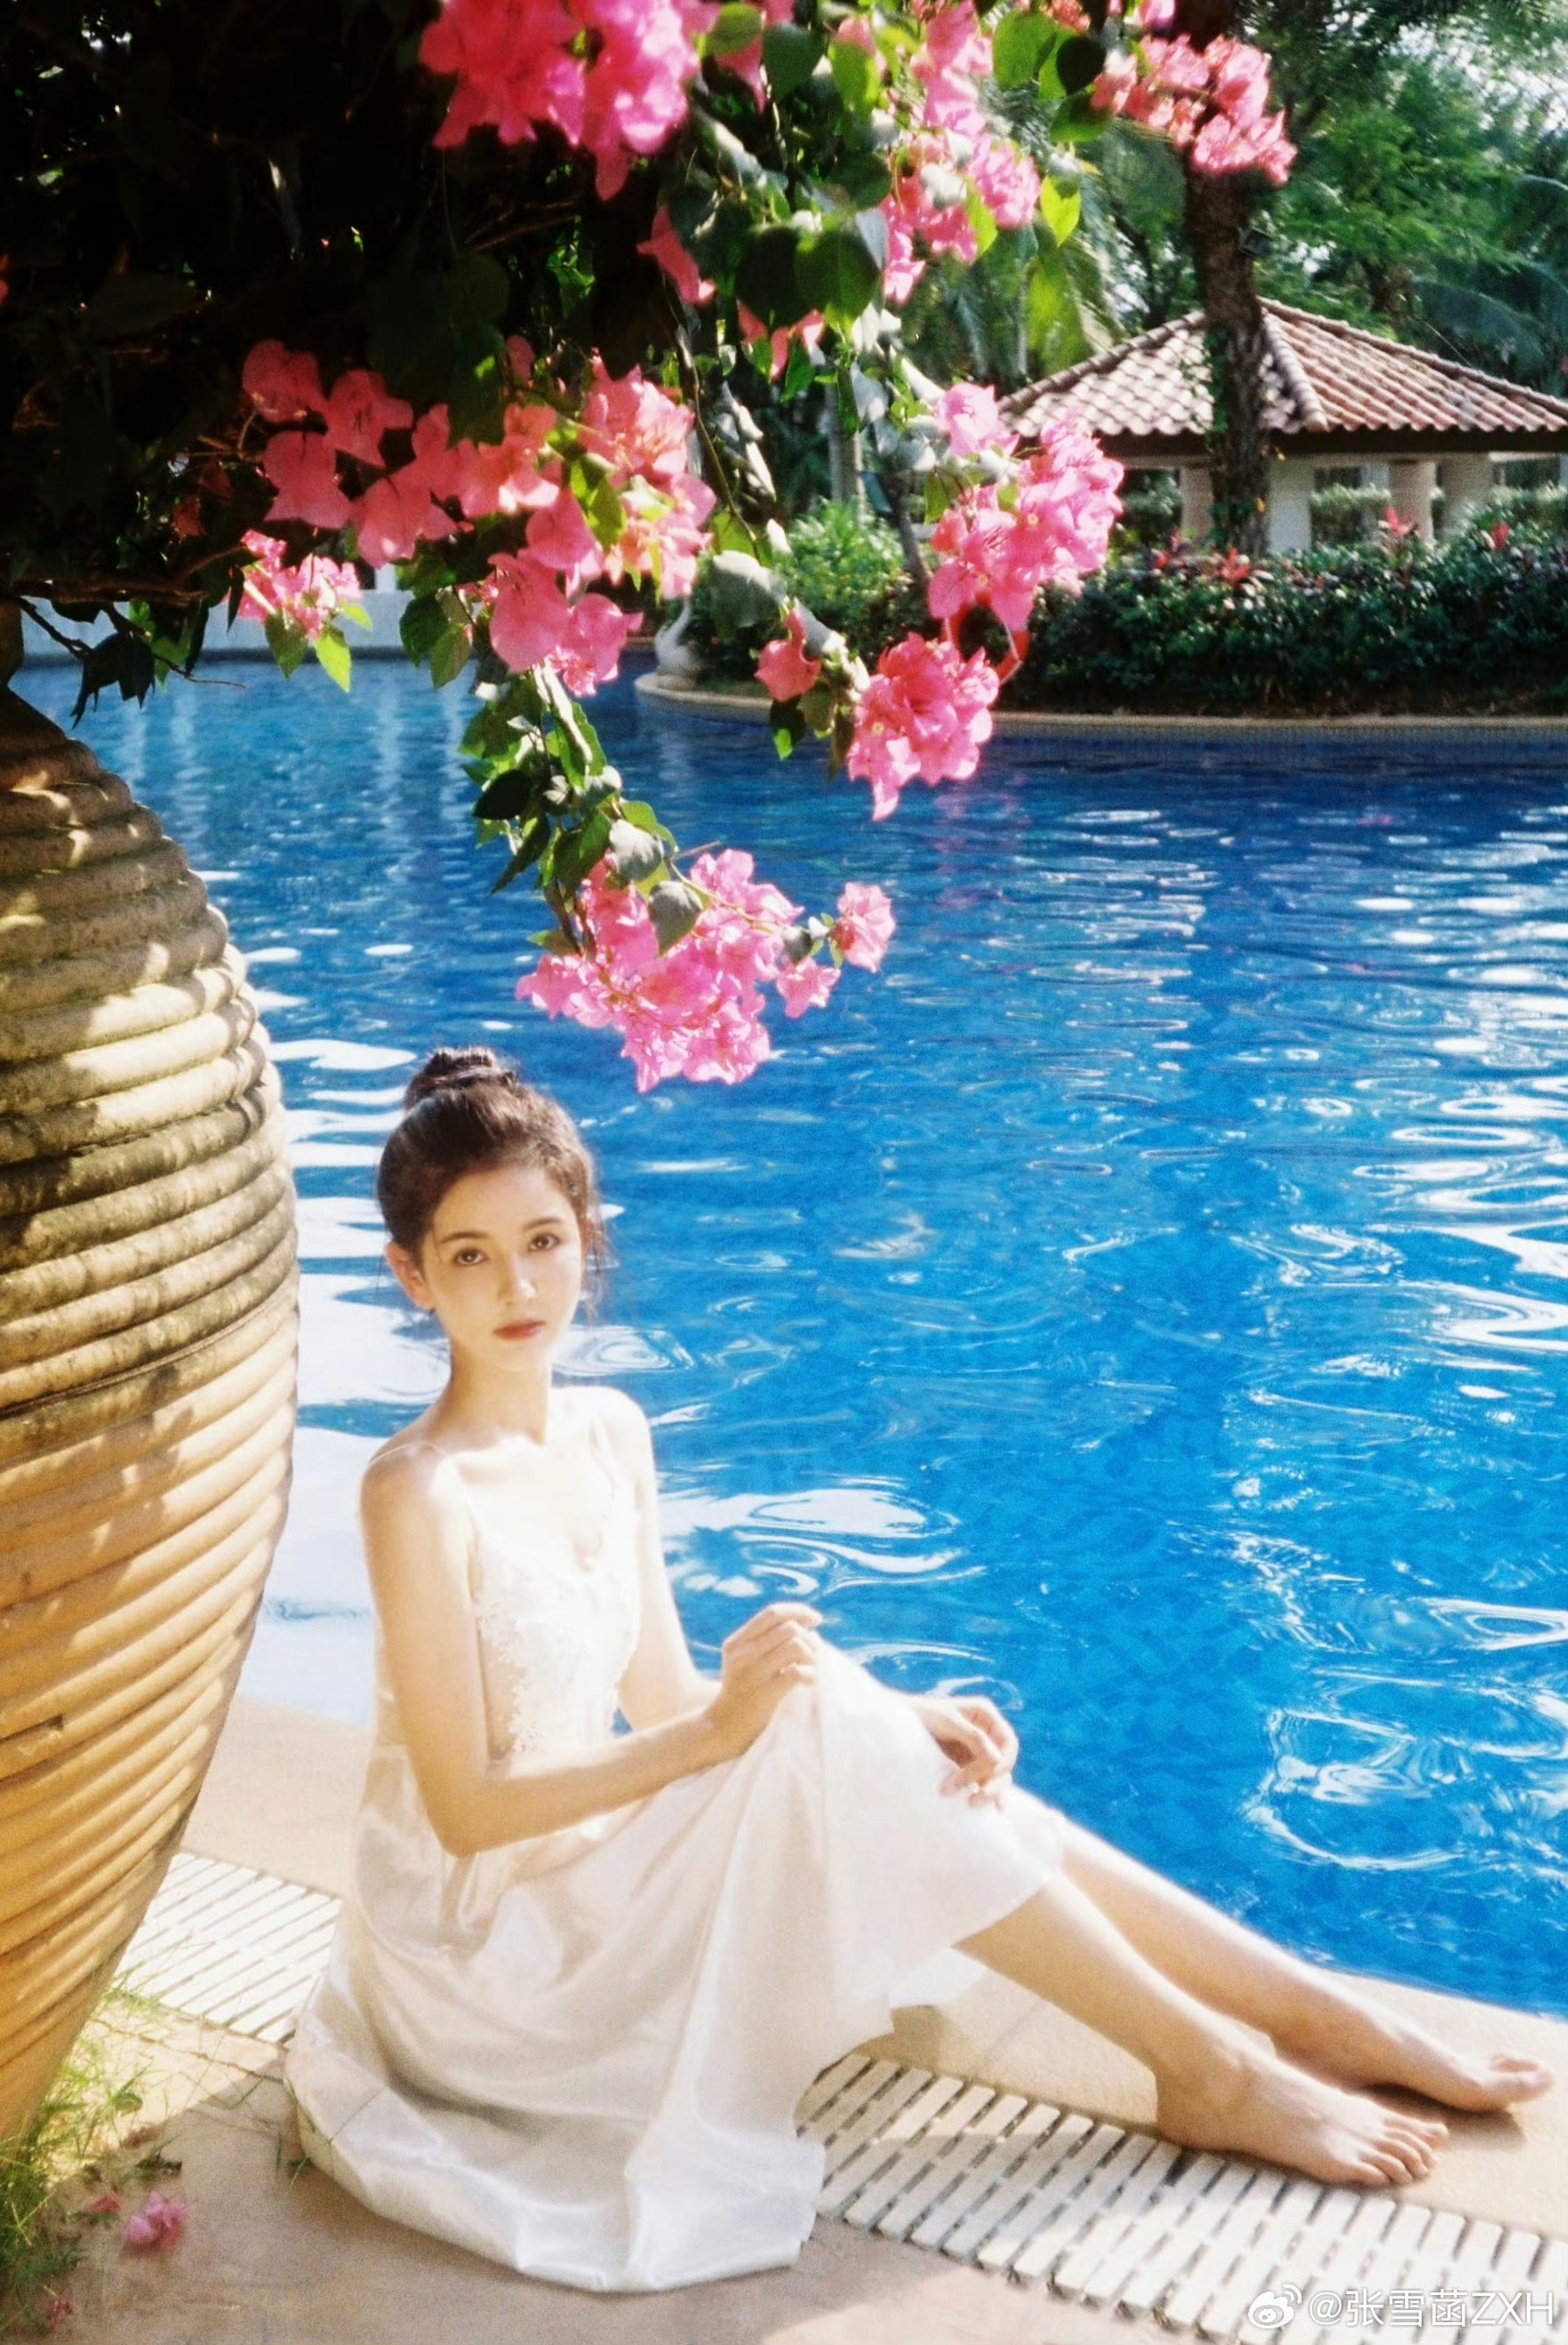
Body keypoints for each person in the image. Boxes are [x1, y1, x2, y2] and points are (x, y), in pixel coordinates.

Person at [283, 1047, 1554, 2294]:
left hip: (593, 1872)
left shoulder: (610, 1431)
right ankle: (1217, 2069)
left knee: (839, 1710)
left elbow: (665, 1696)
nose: (519, 1285)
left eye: (544, 1241)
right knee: (811, 1715)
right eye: (470, 1256)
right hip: (484, 1959)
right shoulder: (416, 1491)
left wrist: (890, 1717)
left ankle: (1311, 2018)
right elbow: (468, 1811)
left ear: (586, 1238)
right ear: (411, 1275)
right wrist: (736, 1733)